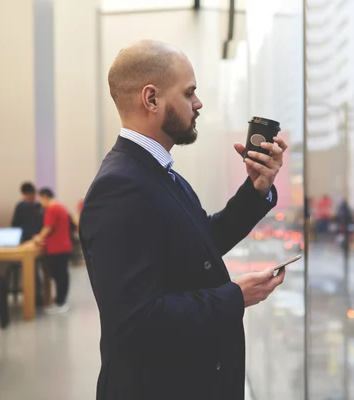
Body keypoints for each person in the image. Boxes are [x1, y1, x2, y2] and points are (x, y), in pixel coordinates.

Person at [78, 40, 287, 400]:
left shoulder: (156, 172)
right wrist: (234, 296)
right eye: (189, 93)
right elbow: (135, 321)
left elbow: (203, 241)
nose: (199, 103)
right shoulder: (120, 186)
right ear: (152, 99)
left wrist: (257, 189)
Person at [33, 188, 73, 314]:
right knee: (62, 275)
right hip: (63, 246)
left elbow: (48, 228)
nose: (40, 202)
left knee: (58, 275)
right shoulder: (60, 207)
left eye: (40, 199)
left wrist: (38, 238)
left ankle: (60, 302)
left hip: (57, 248)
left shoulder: (52, 209)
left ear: (45, 197)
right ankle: (61, 301)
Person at [11, 182, 44, 305]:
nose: (31, 197)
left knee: (38, 271)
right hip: (26, 243)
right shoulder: (20, 207)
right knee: (32, 271)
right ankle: (35, 298)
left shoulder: (39, 206)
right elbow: (14, 225)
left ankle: (38, 296)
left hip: (39, 242)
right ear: (24, 195)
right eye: (28, 195)